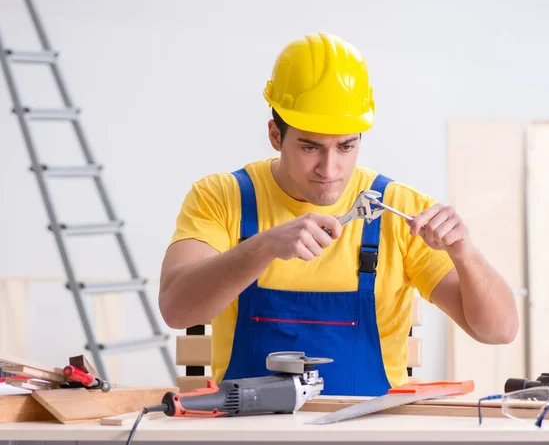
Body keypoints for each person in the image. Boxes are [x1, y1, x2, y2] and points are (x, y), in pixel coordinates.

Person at [158, 32, 519, 396]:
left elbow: (499, 331)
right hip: (253, 429)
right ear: (274, 134)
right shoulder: (222, 197)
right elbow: (177, 311)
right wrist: (263, 247)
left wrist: (465, 254)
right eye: (310, 147)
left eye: (346, 146)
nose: (330, 169)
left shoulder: (398, 209)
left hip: (370, 430)